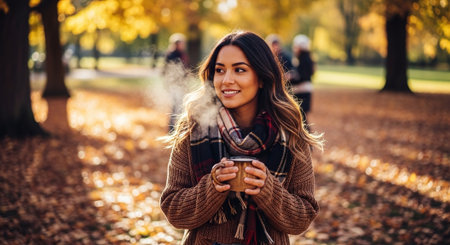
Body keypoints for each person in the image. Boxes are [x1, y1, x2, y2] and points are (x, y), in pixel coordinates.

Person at [160, 31, 323, 245]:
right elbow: (174, 211)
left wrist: (268, 190)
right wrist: (212, 186)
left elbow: (302, 218)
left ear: (262, 78)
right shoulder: (194, 129)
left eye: (239, 70)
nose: (227, 80)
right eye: (220, 70)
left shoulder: (290, 134)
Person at [163, 33, 190, 132]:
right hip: (174, 85)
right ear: (176, 44)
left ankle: (177, 126)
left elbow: (185, 69)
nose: (182, 45)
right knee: (176, 106)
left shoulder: (182, 54)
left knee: (180, 105)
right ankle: (172, 127)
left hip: (181, 84)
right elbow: (166, 70)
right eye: (181, 43)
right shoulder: (171, 55)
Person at [291, 34, 315, 130]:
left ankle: (307, 140)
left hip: (303, 93)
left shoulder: (305, 59)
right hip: (302, 91)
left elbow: (302, 77)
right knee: (301, 118)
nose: (294, 49)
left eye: (296, 46)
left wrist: (291, 78)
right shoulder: (304, 59)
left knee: (302, 118)